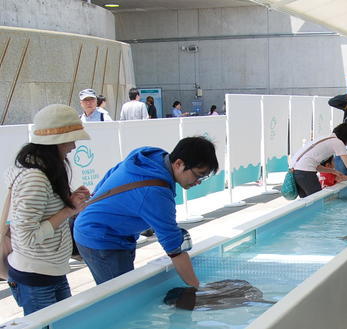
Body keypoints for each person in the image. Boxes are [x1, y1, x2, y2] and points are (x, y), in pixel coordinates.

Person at [73, 137, 219, 288]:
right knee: (122, 296)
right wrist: (198, 289)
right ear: (179, 164)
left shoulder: (150, 156)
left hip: (110, 230)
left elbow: (112, 172)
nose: (198, 182)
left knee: (124, 288)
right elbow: (175, 249)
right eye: (198, 175)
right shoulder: (155, 192)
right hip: (100, 238)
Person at [4, 104, 91, 315]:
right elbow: (26, 237)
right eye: (71, 138)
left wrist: (68, 200)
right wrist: (68, 210)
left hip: (50, 270)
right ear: (57, 141)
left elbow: (43, 210)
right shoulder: (35, 177)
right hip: (35, 276)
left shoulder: (43, 167)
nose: (74, 145)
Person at [290, 123, 347, 198]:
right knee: (318, 201)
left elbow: (315, 166)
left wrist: (333, 171)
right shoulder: (338, 142)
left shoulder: (325, 138)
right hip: (305, 172)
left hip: (295, 171)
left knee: (306, 203)